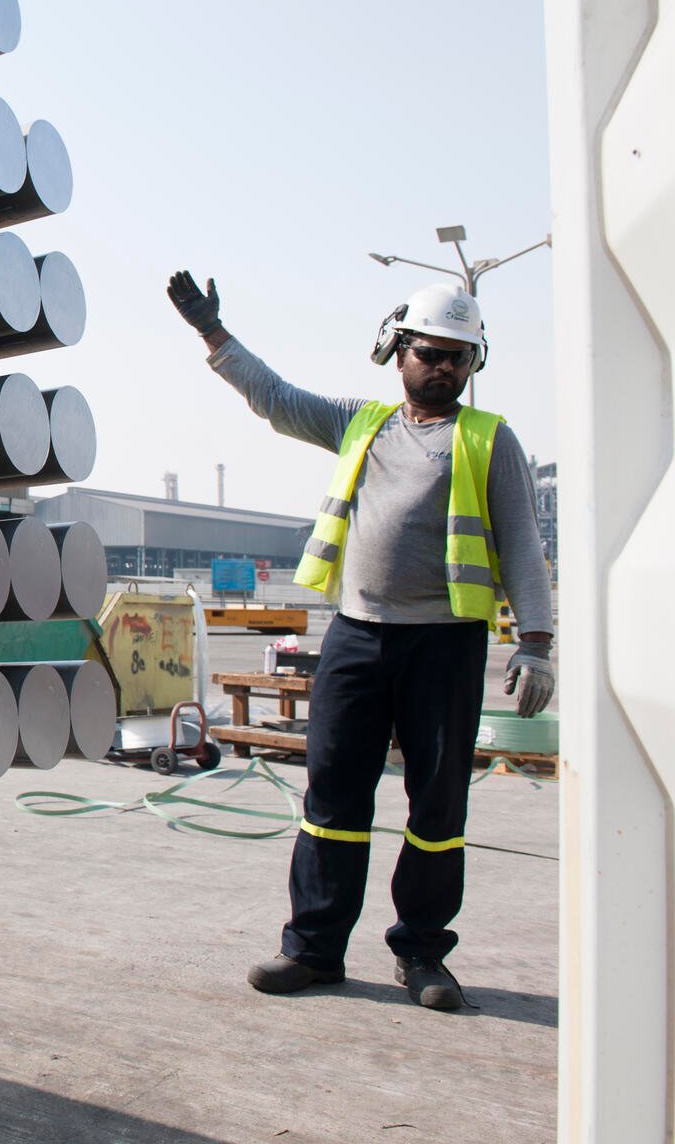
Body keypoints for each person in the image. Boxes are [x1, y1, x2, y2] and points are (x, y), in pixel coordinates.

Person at [165, 271, 555, 1010]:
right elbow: (276, 399)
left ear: (474, 363)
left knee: (437, 807)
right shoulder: (361, 423)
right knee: (333, 796)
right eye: (430, 352)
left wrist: (535, 642)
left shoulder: (489, 439)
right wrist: (212, 334)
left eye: (459, 357)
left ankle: (423, 954)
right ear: (396, 351)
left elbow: (523, 545)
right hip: (356, 637)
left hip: (444, 645)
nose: (443, 367)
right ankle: (313, 950)